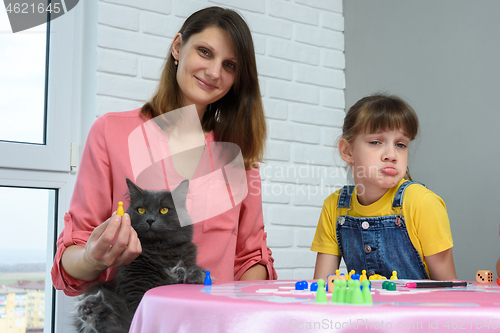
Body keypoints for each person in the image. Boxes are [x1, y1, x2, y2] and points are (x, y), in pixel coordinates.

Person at [51, 6, 277, 296]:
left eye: (230, 65)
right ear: (178, 47)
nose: (214, 72)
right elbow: (69, 263)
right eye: (205, 52)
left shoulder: (238, 156)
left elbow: (251, 260)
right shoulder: (110, 133)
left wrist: (235, 314)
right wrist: (93, 257)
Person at [311, 94, 456, 281]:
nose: (391, 154)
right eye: (376, 142)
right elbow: (322, 287)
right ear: (347, 151)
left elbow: (450, 291)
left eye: (400, 144)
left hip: (418, 310)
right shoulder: (335, 207)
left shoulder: (422, 203)